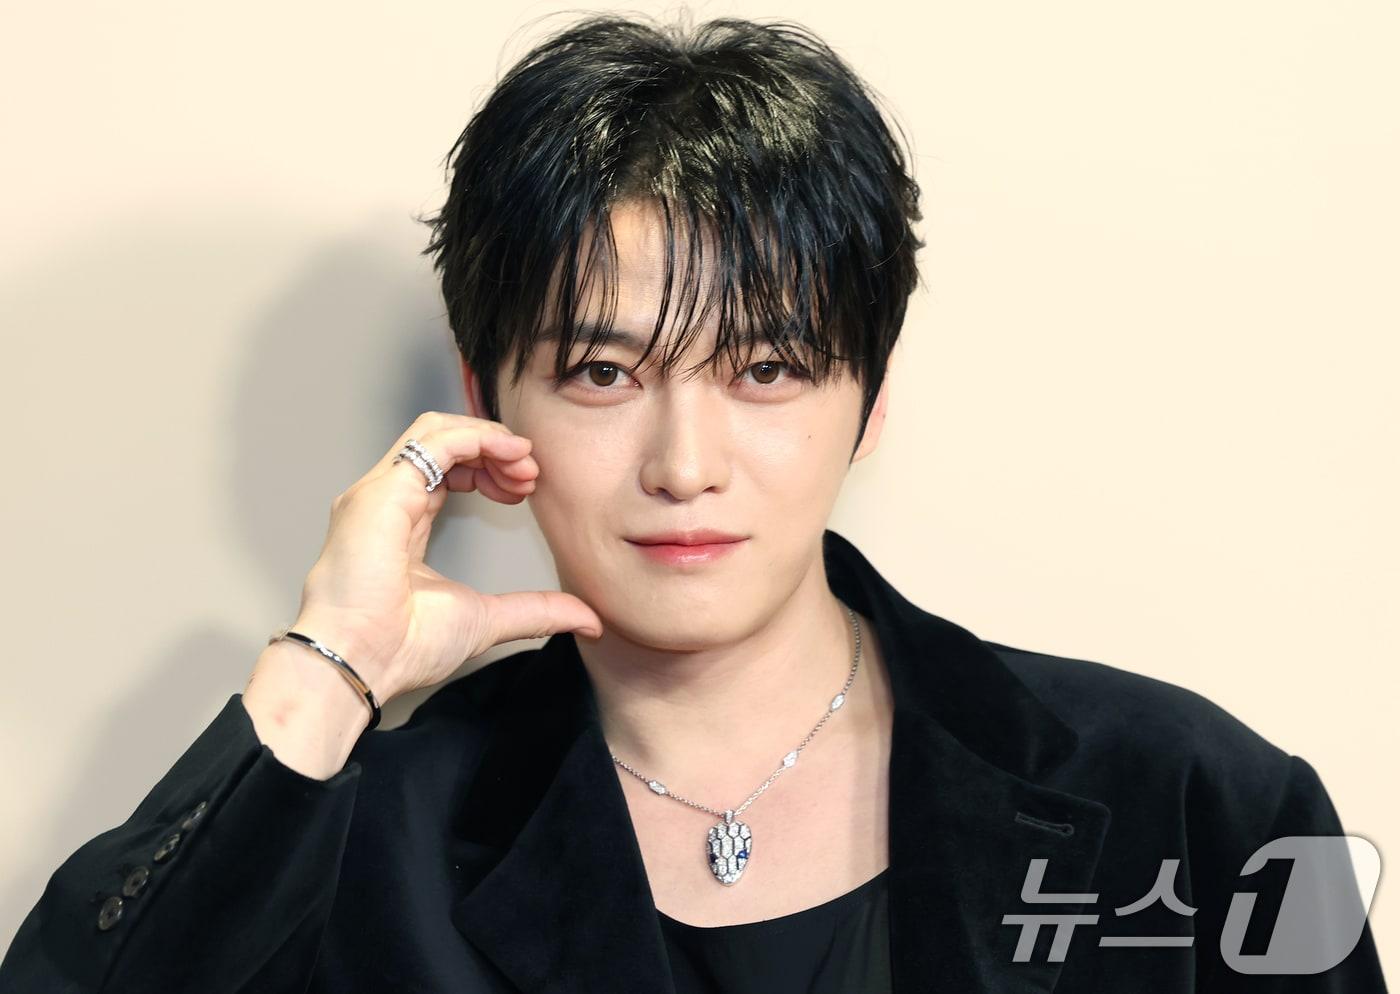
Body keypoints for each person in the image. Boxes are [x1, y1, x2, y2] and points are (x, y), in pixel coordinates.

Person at [0, 13, 1386, 994]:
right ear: (488, 400)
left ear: (869, 400)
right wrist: (326, 672)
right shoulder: (363, 848)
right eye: (603, 373)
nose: (685, 462)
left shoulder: (1200, 803)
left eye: (766, 369)